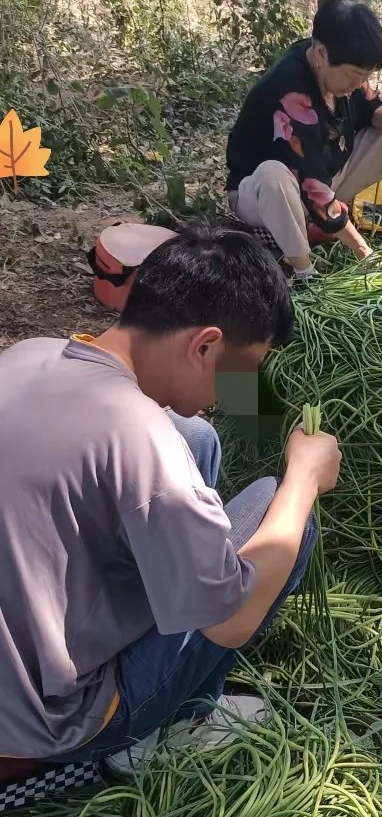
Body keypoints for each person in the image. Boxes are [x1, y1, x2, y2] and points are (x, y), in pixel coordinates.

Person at [0, 221, 342, 773]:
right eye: (244, 369)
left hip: (18, 668)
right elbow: (231, 621)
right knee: (283, 512)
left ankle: (164, 595)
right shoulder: (145, 443)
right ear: (204, 345)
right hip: (43, 730)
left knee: (198, 436)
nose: (238, 390)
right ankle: (169, 725)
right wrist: (303, 480)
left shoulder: (30, 355)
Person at [226, 0, 382, 280]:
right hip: (268, 199)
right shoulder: (288, 92)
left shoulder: (338, 72)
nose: (358, 84)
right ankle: (304, 271)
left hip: (327, 177)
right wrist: (364, 252)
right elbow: (312, 189)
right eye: (353, 75)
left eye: (365, 75)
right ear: (321, 54)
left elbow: (371, 104)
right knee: (273, 175)